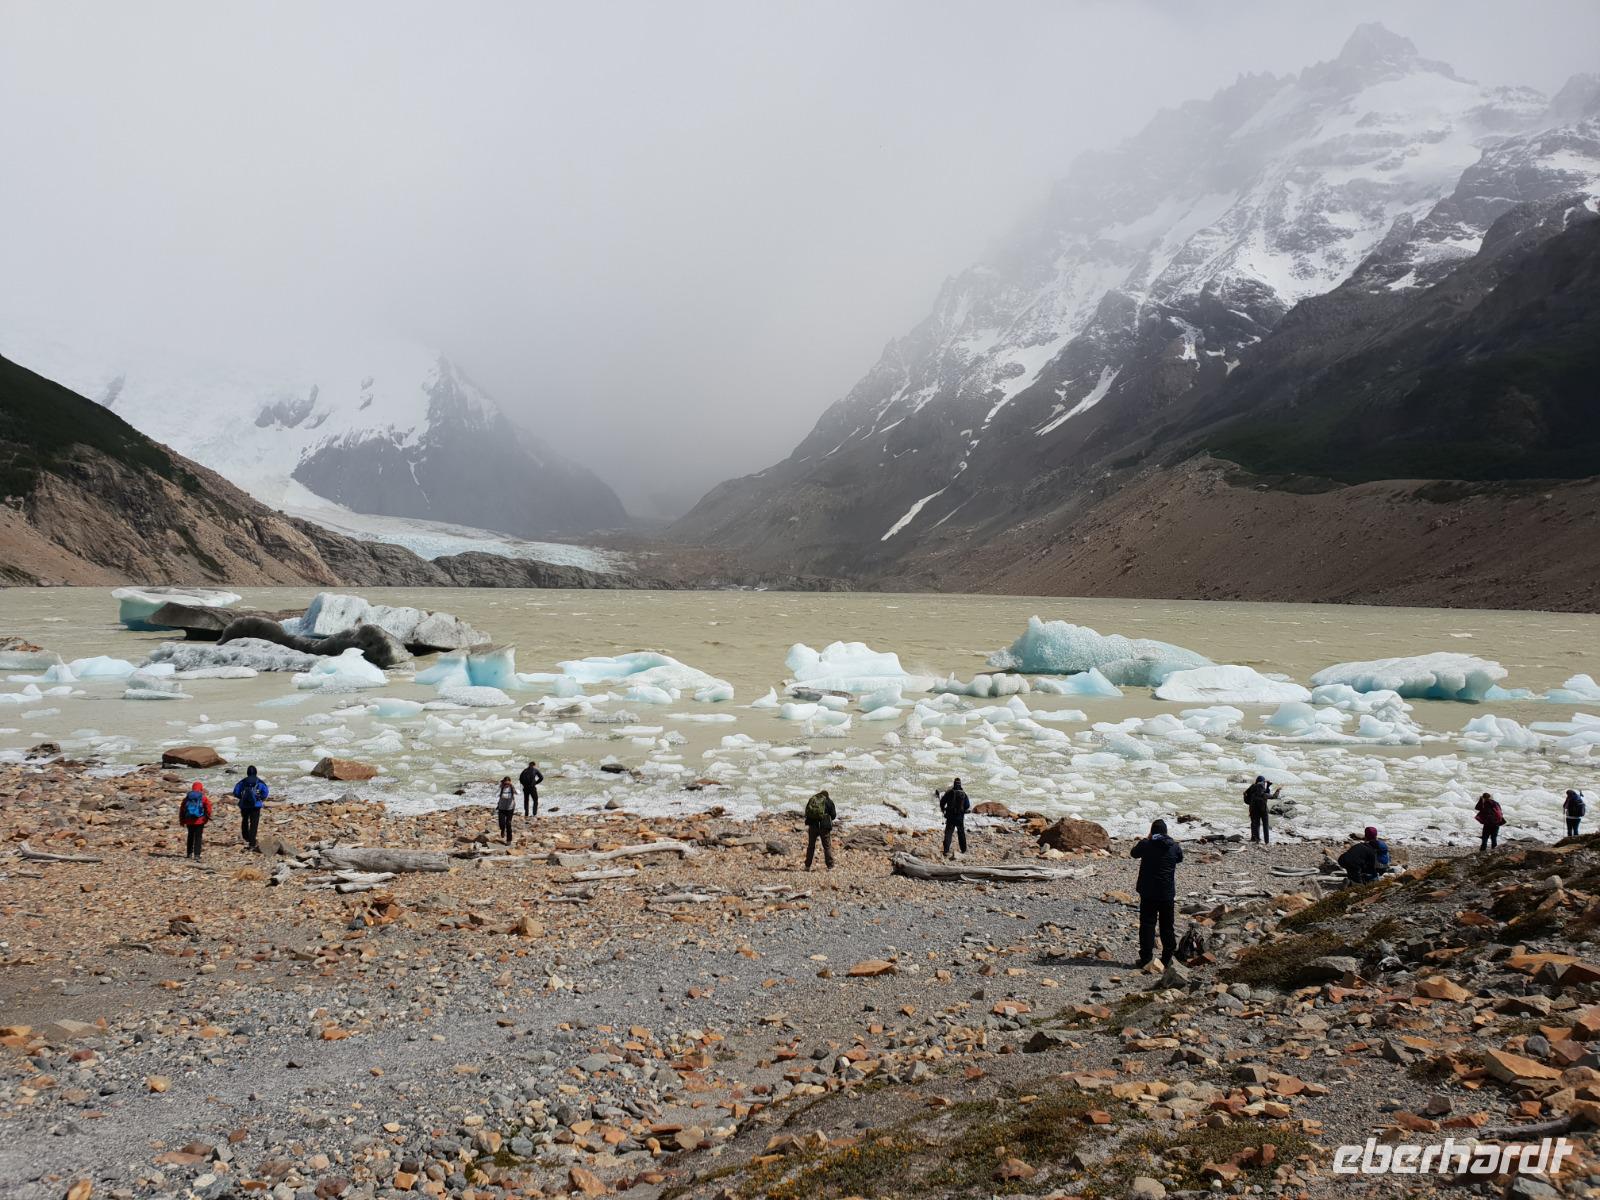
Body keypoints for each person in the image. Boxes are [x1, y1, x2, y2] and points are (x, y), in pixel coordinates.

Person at [1131, 818, 1183, 968]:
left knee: (1147, 924)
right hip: (1167, 892)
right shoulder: (1174, 846)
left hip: (1148, 892)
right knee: (1167, 925)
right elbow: (1179, 859)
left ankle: (1146, 958)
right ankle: (1167, 958)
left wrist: (1147, 840)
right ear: (1166, 832)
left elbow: (1134, 853)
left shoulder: (1146, 844)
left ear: (1152, 831)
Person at [232, 765, 269, 851]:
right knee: (254, 824)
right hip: (255, 805)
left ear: (247, 772)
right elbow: (265, 793)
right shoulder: (260, 782)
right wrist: (260, 799)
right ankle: (252, 843)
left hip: (244, 805)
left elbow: (236, 792)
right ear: (256, 772)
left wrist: (242, 798)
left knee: (244, 820)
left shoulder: (243, 782)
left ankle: (246, 837)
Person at [803, 789, 837, 871]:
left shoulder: (813, 800)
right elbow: (833, 815)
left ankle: (807, 866)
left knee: (811, 846)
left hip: (813, 826)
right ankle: (830, 866)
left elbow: (807, 812)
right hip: (824, 826)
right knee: (827, 846)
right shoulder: (829, 801)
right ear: (827, 795)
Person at [937, 777, 970, 858]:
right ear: (960, 784)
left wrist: (943, 809)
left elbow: (942, 802)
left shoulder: (949, 792)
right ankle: (963, 850)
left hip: (950, 816)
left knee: (948, 833)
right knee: (961, 833)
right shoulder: (964, 794)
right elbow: (967, 805)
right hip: (959, 817)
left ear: (954, 784)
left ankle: (946, 851)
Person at [179, 781, 211, 860]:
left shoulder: (187, 797)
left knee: (190, 836)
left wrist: (182, 820)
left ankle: (189, 853)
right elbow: (208, 808)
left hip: (189, 820)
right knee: (198, 837)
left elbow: (182, 809)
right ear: (201, 788)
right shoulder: (203, 797)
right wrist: (206, 818)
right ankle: (197, 855)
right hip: (199, 820)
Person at [1244, 776, 1279, 845]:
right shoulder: (1263, 794)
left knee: (1255, 824)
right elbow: (1273, 796)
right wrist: (1278, 790)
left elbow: (1247, 801)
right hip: (1264, 810)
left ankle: (1256, 839)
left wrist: (1244, 796)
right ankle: (1267, 841)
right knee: (1265, 825)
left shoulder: (1252, 791)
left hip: (1254, 810)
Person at [496, 776, 517, 845]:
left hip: (510, 808)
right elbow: (495, 794)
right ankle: (502, 830)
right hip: (501, 808)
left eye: (508, 783)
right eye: (506, 784)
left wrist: (512, 786)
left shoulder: (511, 788)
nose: (507, 785)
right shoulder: (501, 788)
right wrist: (501, 787)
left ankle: (509, 840)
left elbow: (518, 793)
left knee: (508, 824)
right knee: (502, 824)